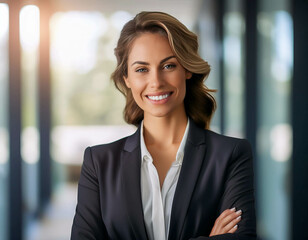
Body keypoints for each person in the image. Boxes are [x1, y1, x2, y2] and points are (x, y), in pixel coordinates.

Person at [71, 11, 256, 240]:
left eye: (168, 66)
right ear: (127, 78)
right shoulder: (99, 163)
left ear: (187, 69)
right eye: (141, 69)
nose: (156, 82)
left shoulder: (231, 155)